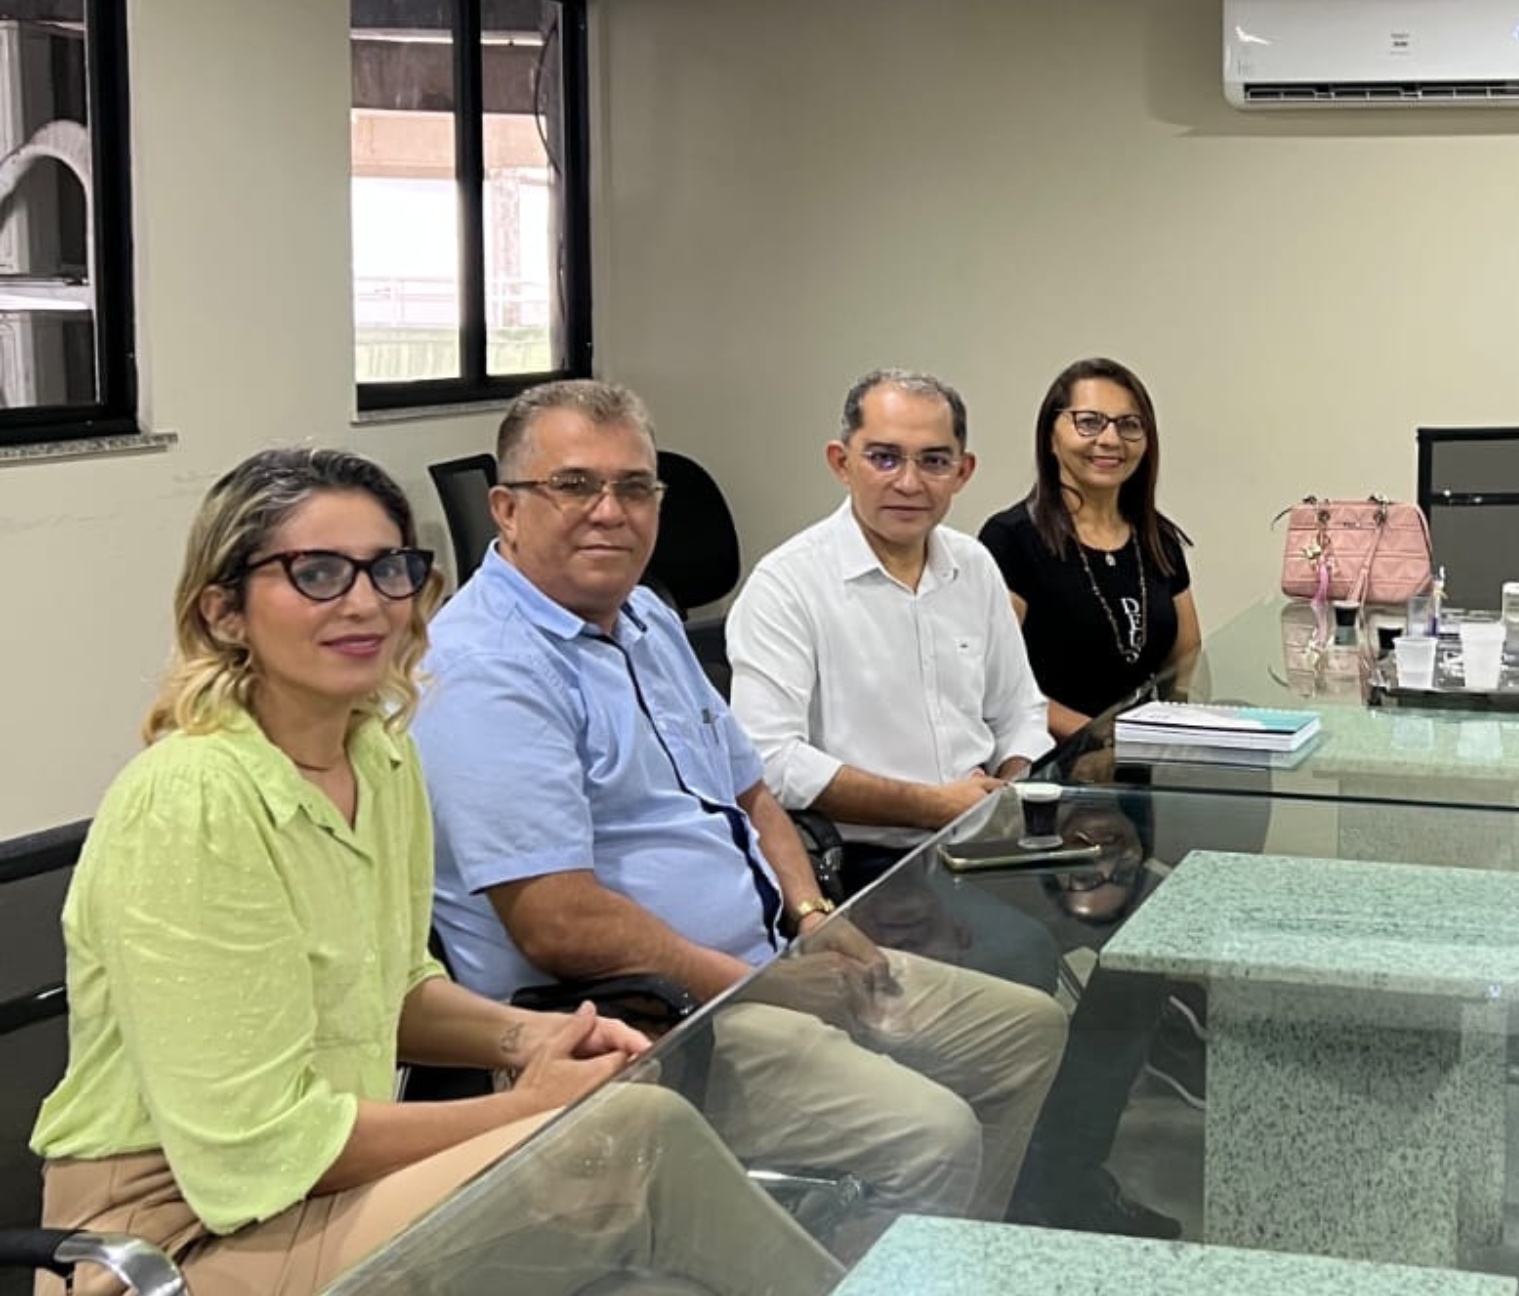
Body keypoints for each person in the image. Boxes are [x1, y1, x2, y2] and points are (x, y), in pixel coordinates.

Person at [31, 449, 820, 1296]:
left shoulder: (380, 758)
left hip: (323, 1187)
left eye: (390, 569)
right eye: (319, 573)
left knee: (648, 1205)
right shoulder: (191, 800)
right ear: (225, 610)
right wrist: (527, 1106)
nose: (367, 602)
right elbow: (255, 1147)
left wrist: (529, 1039)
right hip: (176, 1235)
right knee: (633, 1135)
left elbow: (393, 990)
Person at [413, 381, 1066, 1227]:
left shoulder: (643, 616)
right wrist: (759, 986)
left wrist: (811, 917)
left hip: (770, 955)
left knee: (1029, 1030)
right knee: (931, 1135)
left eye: (635, 487)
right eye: (573, 485)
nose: (610, 511)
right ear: (505, 507)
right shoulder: (484, 666)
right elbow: (560, 923)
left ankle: (936, 1261)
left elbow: (751, 787)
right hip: (653, 1024)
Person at [726, 369, 1061, 985]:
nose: (909, 482)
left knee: (1152, 907)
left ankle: (1075, 1075)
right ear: (841, 462)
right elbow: (769, 761)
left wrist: (1013, 782)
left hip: (985, 841)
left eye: (934, 461)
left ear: (964, 472)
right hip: (867, 862)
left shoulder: (974, 566)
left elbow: (1020, 711)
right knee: (1023, 955)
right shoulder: (787, 585)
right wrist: (932, 807)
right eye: (884, 458)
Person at [978, 358, 1200, 740]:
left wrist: (1170, 732)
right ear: (1051, 435)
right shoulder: (1010, 539)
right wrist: (1098, 736)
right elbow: (995, 681)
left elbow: (1187, 649)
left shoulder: (1157, 538)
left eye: (1129, 425)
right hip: (1052, 765)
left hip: (1141, 762)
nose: (1110, 440)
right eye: (1089, 421)